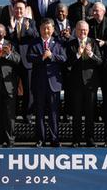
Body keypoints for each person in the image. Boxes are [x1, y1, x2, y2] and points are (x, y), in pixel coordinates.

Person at [28, 18, 67, 147]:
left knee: (54, 113)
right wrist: (41, 57)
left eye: (48, 28)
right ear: (40, 29)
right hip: (39, 84)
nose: (46, 31)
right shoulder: (34, 43)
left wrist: (51, 56)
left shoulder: (58, 43)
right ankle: (40, 139)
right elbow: (29, 57)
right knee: (39, 113)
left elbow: (64, 58)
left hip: (53, 84)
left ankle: (54, 139)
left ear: (52, 30)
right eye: (44, 28)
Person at [66, 20, 102, 147]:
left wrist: (91, 54)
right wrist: (78, 54)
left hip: (90, 84)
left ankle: (90, 139)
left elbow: (100, 62)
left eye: (85, 30)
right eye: (80, 30)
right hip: (76, 84)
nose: (83, 32)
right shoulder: (70, 44)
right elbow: (68, 64)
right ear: (76, 30)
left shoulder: (93, 43)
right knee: (76, 113)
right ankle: (76, 139)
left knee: (90, 113)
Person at [7, 0, 38, 123]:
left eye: (21, 9)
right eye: (16, 8)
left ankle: (28, 116)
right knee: (12, 90)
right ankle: (12, 115)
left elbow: (36, 36)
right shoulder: (9, 22)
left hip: (27, 61)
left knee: (28, 90)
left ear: (25, 10)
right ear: (13, 9)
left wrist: (28, 29)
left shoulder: (31, 22)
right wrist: (11, 30)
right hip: (13, 61)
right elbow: (5, 40)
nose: (19, 11)